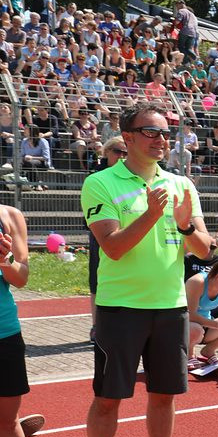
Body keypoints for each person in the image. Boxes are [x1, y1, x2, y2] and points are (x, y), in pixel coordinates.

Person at [79, 101, 212, 437]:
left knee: (163, 395)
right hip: (120, 309)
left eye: (166, 132)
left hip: (170, 308)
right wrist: (154, 215)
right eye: (152, 132)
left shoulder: (182, 185)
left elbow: (205, 250)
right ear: (130, 137)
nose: (161, 139)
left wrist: (186, 224)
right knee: (107, 399)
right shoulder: (100, 183)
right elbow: (113, 248)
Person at [0, 202, 40, 437]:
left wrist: (5, 259)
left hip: (4, 332)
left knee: (8, 419)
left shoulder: (10, 216)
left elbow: (22, 276)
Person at [87, 137, 127, 342]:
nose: (122, 157)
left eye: (126, 153)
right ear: (107, 152)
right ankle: (96, 326)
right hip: (100, 236)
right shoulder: (97, 177)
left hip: (127, 234)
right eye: (118, 152)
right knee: (97, 282)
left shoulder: (132, 175)